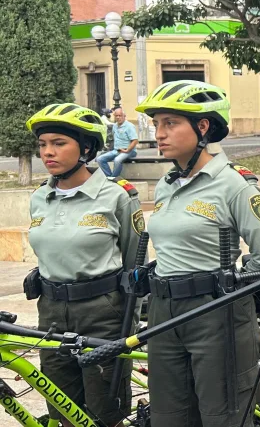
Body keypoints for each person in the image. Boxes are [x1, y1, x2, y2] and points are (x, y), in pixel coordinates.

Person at [137, 80, 260, 426]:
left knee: (223, 417)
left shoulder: (234, 184)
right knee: (168, 418)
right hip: (164, 314)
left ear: (202, 126)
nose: (159, 133)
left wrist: (229, 284)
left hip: (215, 313)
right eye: (156, 124)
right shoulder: (167, 184)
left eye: (170, 123)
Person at [25, 103, 143, 427]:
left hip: (103, 314)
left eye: (59, 143)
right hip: (50, 312)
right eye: (43, 144)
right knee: (62, 409)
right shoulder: (39, 197)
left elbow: (135, 265)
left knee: (106, 413)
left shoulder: (117, 196)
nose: (48, 152)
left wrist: (129, 324)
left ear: (87, 148)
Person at [95, 107, 138, 178]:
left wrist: (127, 150)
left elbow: (135, 140)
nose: (118, 117)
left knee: (117, 160)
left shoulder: (129, 126)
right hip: (117, 150)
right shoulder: (115, 126)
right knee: (100, 159)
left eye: (120, 115)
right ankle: (109, 177)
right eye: (116, 116)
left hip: (129, 151)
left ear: (124, 116)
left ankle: (114, 178)